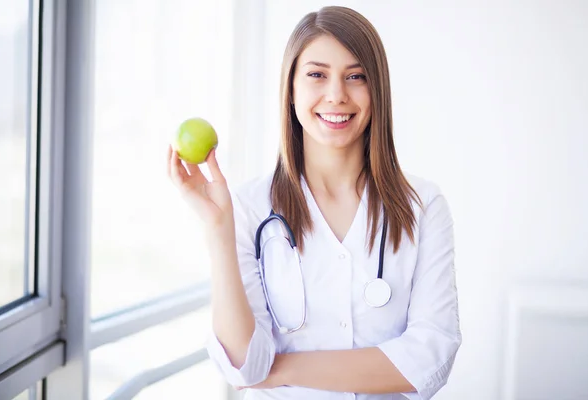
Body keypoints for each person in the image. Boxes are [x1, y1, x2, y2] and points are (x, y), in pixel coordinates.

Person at [167, 5, 461, 400]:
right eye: (317, 75)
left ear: (378, 91)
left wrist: (282, 367)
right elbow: (245, 366)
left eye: (356, 76)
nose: (337, 95)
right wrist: (219, 231)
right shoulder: (249, 208)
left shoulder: (423, 205)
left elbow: (430, 358)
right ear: (291, 90)